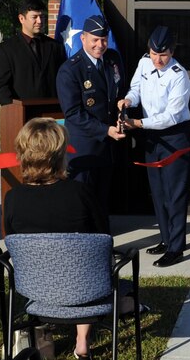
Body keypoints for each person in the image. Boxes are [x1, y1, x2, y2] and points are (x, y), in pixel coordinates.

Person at [3, 117, 107, 359]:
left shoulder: (14, 198)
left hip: (35, 288)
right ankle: (82, 341)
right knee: (89, 260)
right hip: (85, 287)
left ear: (23, 154)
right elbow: (103, 236)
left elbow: (13, 238)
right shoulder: (80, 193)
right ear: (59, 154)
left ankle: (42, 331)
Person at [118, 26, 190, 268]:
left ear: (171, 51)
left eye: (163, 55)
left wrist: (137, 123)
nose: (158, 60)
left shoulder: (179, 75)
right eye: (153, 54)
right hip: (150, 134)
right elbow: (136, 88)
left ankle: (176, 247)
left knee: (175, 193)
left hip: (174, 135)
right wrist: (128, 100)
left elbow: (171, 116)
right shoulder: (144, 64)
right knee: (158, 191)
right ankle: (166, 237)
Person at [56, 15, 125, 224]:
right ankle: (82, 247)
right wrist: (106, 130)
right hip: (84, 147)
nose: (100, 45)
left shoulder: (113, 59)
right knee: (83, 200)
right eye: (94, 39)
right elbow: (73, 113)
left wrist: (123, 111)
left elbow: (118, 93)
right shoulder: (70, 69)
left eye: (103, 39)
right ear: (83, 38)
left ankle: (102, 242)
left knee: (103, 201)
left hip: (109, 147)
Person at [0, 0, 66, 105]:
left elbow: (63, 79)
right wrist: (13, 109)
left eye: (42, 16)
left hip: (52, 112)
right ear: (22, 19)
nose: (39, 21)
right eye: (34, 17)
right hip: (21, 114)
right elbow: (1, 86)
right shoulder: (6, 49)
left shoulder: (55, 46)